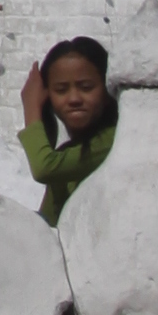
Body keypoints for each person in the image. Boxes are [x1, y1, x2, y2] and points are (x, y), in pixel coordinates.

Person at [19, 36, 117, 222]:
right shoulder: (65, 156)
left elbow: (43, 168)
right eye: (61, 90)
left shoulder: (114, 140)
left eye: (86, 87)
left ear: (107, 91)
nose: (74, 99)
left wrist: (31, 109)